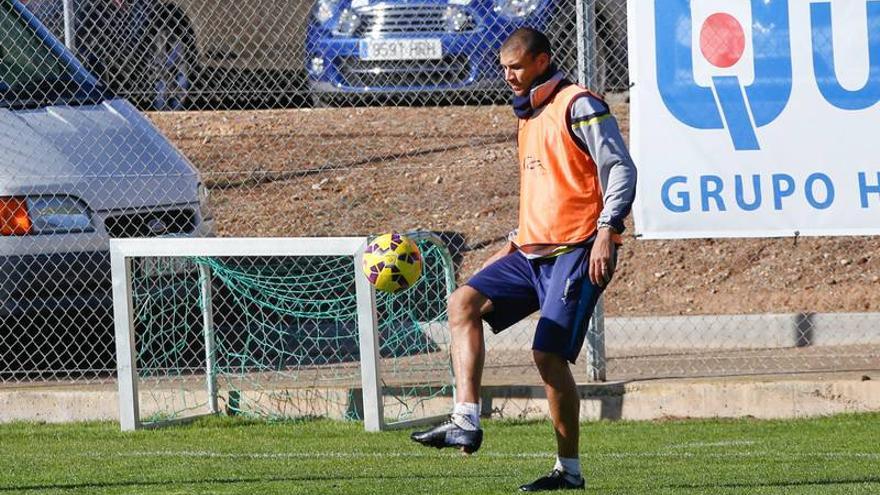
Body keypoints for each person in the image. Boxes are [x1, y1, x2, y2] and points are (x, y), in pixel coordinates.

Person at [410, 27, 637, 491]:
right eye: (503, 68)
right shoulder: (528, 114)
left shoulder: (580, 104)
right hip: (530, 251)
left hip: (577, 250)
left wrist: (607, 231)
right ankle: (465, 418)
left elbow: (621, 168)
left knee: (547, 354)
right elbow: (546, 189)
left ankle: (568, 472)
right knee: (462, 303)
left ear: (541, 61)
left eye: (516, 67)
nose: (508, 76)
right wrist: (517, 238)